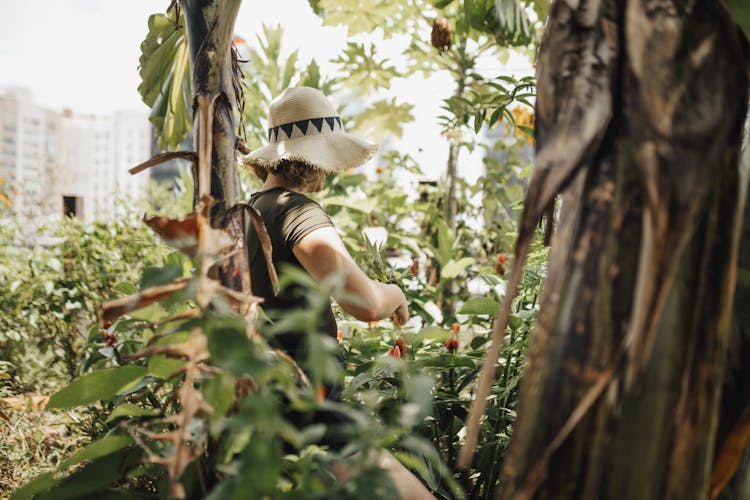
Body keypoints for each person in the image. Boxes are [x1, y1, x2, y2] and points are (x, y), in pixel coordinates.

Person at [243, 86, 434, 499]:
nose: (328, 173)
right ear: (311, 158)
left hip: (268, 400)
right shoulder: (296, 210)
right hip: (309, 404)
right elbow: (364, 302)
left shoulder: (249, 210)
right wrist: (396, 292)